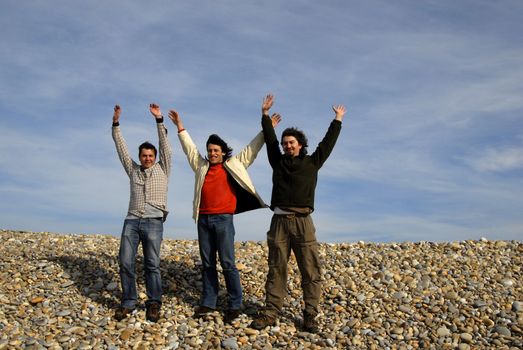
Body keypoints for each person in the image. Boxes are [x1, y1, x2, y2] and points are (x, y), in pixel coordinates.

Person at [169, 107, 281, 323]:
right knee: (208, 263)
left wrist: (267, 128)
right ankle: (208, 302)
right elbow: (190, 149)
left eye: (216, 150)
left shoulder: (234, 164)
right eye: (210, 150)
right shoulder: (201, 167)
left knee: (228, 262)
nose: (212, 153)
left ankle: (234, 303)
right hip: (203, 220)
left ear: (223, 152)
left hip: (223, 219)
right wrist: (180, 126)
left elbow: (252, 149)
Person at [249, 94, 346, 333]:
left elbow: (328, 143)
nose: (287, 146)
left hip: (304, 222)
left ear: (300, 144)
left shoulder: (313, 162)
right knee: (276, 268)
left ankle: (310, 315)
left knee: (310, 270)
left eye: (291, 142)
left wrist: (337, 120)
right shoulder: (278, 162)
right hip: (279, 221)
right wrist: (264, 116)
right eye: (285, 143)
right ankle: (271, 312)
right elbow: (270, 142)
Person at [111, 103, 173, 322]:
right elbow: (121, 148)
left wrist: (159, 120)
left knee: (152, 264)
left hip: (153, 221)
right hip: (131, 220)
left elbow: (165, 146)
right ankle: (128, 301)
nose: (147, 158)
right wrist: (116, 123)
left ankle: (154, 303)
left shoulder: (163, 167)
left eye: (150, 155)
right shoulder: (133, 170)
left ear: (155, 157)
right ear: (140, 157)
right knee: (126, 261)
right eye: (144, 155)